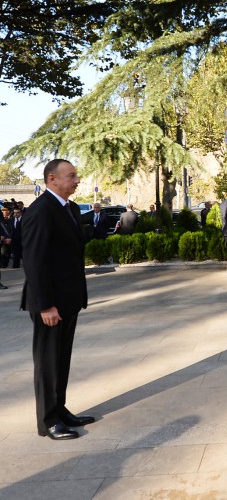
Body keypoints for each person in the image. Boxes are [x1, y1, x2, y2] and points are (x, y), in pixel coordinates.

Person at [21, 159, 94, 440]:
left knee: (61, 360)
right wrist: (45, 305)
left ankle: (60, 409)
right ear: (52, 179)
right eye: (71, 176)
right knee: (47, 361)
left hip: (69, 299)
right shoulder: (41, 211)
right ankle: (48, 420)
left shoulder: (71, 208)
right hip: (50, 304)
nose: (77, 180)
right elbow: (34, 261)